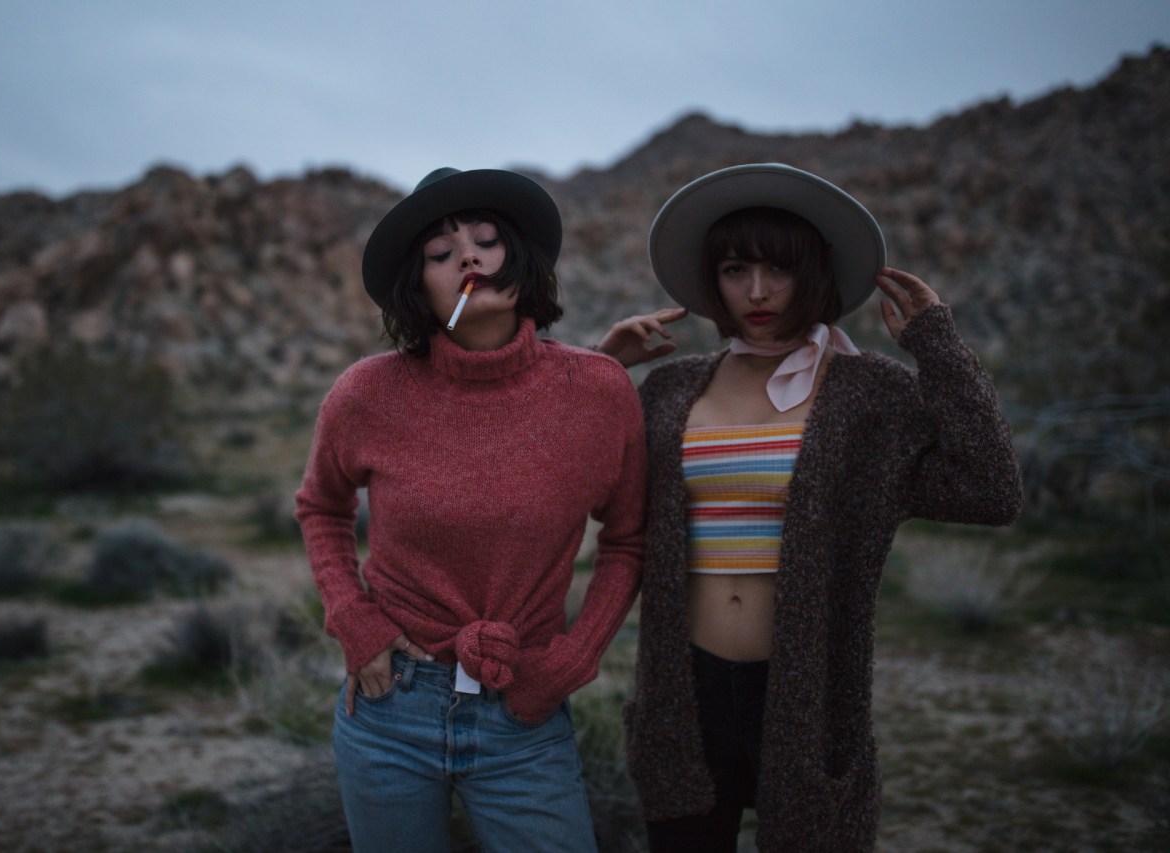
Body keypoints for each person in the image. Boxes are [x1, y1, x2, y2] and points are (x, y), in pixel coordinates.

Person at [600, 163, 1023, 852]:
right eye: (737, 269)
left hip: (810, 695)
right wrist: (600, 371)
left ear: (815, 273)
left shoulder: (867, 395)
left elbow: (991, 488)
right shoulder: (672, 389)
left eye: (779, 268)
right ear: (715, 277)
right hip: (684, 692)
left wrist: (936, 345)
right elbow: (578, 486)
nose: (757, 291)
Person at [294, 167, 646, 853]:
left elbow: (629, 539)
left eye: (487, 239)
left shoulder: (599, 390)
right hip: (389, 703)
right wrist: (353, 618)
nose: (469, 257)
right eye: (440, 252)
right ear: (418, 286)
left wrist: (573, 657)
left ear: (519, 258)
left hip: (524, 710)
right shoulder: (367, 392)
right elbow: (321, 506)